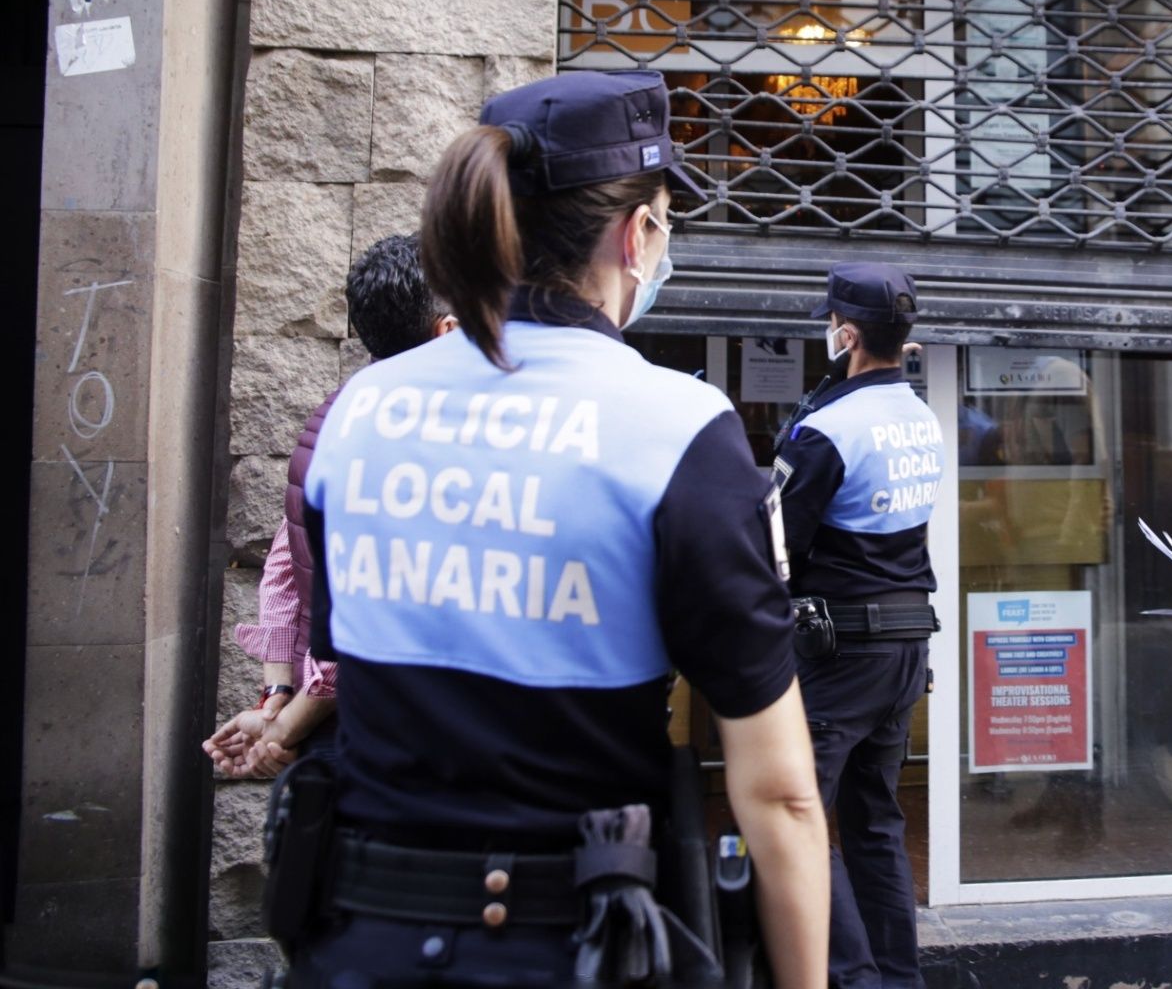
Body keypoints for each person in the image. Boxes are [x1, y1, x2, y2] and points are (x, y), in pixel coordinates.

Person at [293, 71, 828, 987]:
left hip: (359, 944)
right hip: (575, 947)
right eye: (665, 219)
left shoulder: (358, 410)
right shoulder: (678, 429)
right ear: (637, 234)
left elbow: (348, 657)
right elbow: (778, 794)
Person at [204, 234, 453, 780]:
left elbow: (284, 570)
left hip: (336, 729)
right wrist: (289, 722)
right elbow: (378, 616)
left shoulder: (334, 416)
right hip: (387, 739)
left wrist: (276, 695)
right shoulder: (428, 441)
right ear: (448, 331)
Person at [774, 262, 943, 989]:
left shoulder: (828, 428)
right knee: (875, 823)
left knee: (798, 819)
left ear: (845, 333)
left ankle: (854, 978)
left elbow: (776, 547)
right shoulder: (921, 417)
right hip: (905, 650)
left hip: (840, 656)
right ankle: (895, 978)